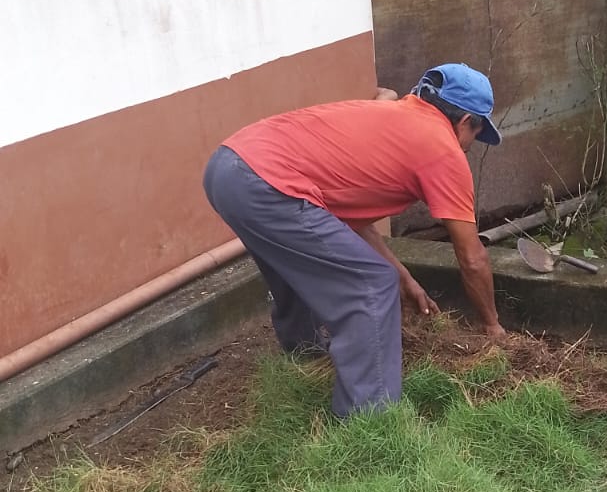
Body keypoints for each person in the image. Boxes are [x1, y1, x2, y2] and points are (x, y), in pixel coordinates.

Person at [203, 64, 507, 416]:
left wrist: (404, 277)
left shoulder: (393, 115)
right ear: (465, 121)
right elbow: (472, 257)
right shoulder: (443, 149)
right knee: (371, 285)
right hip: (265, 183)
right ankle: (369, 417)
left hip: (228, 167)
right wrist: (492, 326)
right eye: (476, 134)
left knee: (298, 264)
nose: (469, 147)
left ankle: (304, 354)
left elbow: (347, 222)